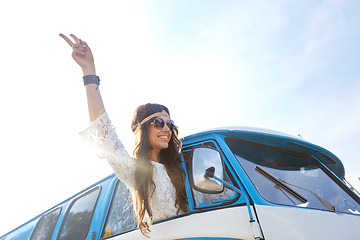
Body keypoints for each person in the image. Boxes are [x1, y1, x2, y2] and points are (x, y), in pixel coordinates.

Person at [59, 33, 188, 236]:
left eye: (170, 124)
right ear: (143, 131)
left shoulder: (184, 165)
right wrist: (88, 71)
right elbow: (105, 134)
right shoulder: (137, 173)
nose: (166, 129)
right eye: (158, 122)